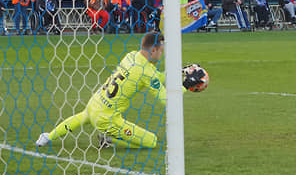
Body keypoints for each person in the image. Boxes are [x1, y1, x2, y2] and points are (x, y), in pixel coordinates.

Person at [35, 32, 202, 150]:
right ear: (153, 50)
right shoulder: (146, 72)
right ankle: (108, 137)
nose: (162, 53)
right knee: (151, 141)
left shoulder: (131, 56)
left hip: (96, 101)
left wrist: (181, 71)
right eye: (161, 50)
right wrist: (186, 85)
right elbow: (167, 99)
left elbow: (155, 75)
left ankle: (47, 137)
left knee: (81, 117)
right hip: (107, 119)